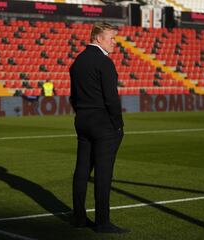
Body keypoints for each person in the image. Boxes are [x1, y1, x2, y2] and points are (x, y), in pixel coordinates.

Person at [69, 22, 128, 234]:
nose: (114, 43)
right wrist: (118, 124)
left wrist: (81, 113)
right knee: (103, 174)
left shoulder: (77, 62)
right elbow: (112, 99)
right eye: (111, 38)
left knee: (82, 170)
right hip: (102, 124)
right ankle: (102, 222)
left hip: (83, 120)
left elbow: (73, 96)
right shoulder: (104, 63)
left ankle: (78, 218)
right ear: (98, 38)